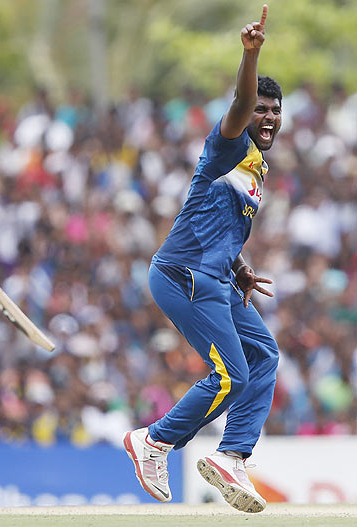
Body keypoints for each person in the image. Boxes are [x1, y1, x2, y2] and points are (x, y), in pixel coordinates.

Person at [123, 5, 282, 514]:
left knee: (265, 356)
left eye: (274, 111)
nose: (268, 118)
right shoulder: (226, 144)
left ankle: (233, 455)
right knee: (232, 374)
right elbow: (240, 100)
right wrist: (249, 56)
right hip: (183, 274)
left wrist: (241, 267)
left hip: (217, 277)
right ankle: (154, 442)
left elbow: (222, 227)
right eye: (262, 110)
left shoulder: (256, 168)